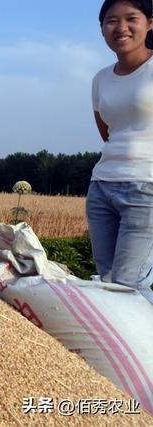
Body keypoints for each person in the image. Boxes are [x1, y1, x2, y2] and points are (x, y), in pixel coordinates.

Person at [87, 0, 153, 303]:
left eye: (131, 18)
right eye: (111, 20)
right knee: (107, 280)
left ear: (149, 23)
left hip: (146, 188)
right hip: (102, 187)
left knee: (131, 285)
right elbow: (108, 133)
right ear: (102, 29)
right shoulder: (101, 79)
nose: (121, 27)